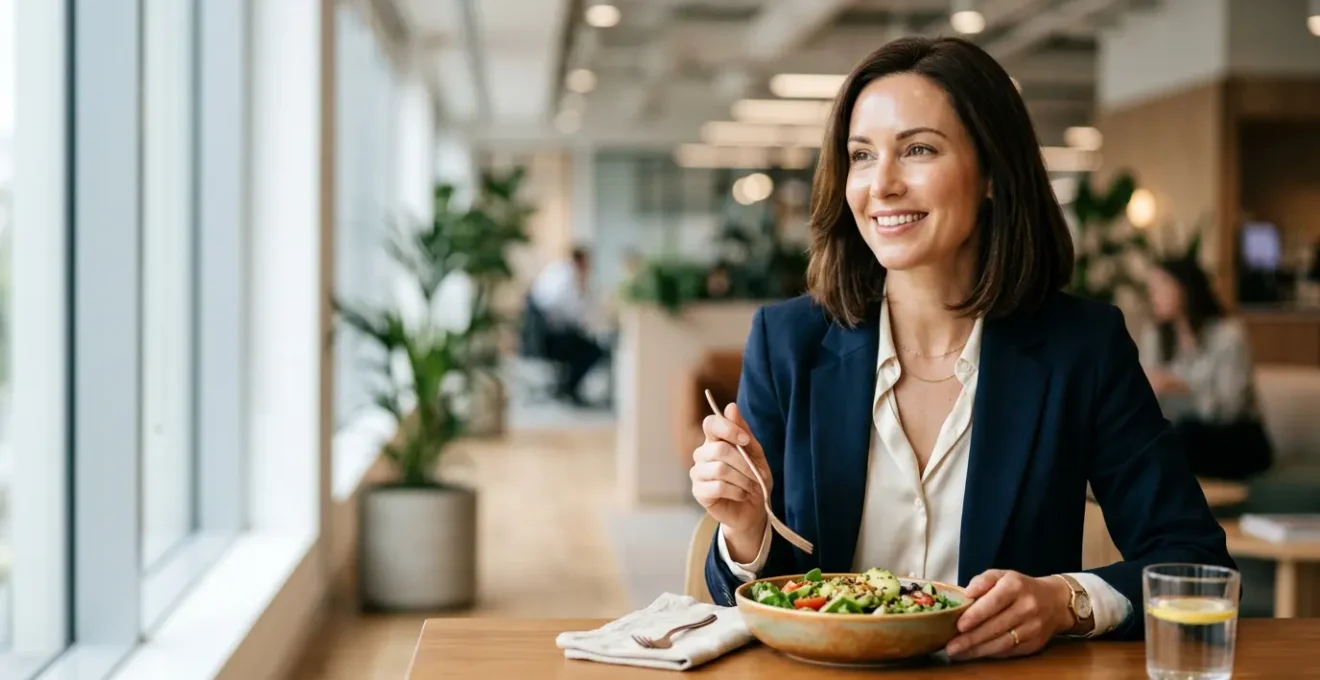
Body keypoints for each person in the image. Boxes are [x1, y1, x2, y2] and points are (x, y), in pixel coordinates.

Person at [689, 36, 1234, 661]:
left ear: (992, 174)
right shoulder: (788, 343)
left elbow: (1195, 563)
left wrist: (1066, 602)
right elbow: (751, 600)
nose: (882, 184)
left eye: (918, 149)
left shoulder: (1080, 348)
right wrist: (746, 529)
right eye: (862, 156)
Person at [1140, 256, 1272, 480]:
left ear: (1184, 288)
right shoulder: (1154, 336)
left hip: (1236, 436)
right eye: (1150, 289)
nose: (1153, 296)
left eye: (1160, 286)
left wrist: (1181, 388)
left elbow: (1230, 409)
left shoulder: (1229, 335)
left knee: (1183, 436)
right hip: (1179, 434)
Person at [528, 246, 606, 406]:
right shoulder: (566, 277)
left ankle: (566, 387)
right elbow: (569, 311)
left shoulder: (557, 271)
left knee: (586, 347)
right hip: (551, 338)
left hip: (545, 336)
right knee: (594, 351)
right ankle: (569, 389)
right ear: (581, 260)